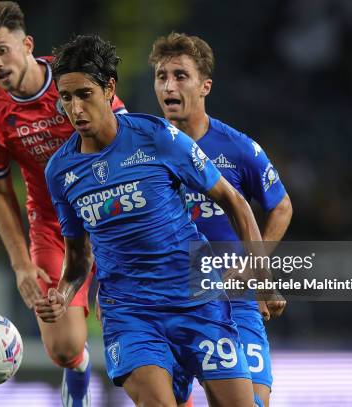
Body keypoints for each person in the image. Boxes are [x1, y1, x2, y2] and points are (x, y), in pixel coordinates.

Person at [36, 33, 267, 407]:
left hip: (197, 301)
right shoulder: (60, 172)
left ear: (109, 89)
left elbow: (234, 200)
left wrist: (258, 270)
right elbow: (78, 258)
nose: (75, 109)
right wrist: (62, 295)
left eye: (84, 95)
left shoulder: (157, 137)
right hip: (130, 314)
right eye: (66, 98)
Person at [0, 2, 126, 406]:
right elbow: (0, 193)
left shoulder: (73, 78)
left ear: (27, 44)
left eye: (2, 50)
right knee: (63, 347)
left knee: (130, 337)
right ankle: (78, 374)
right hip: (52, 225)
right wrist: (21, 265)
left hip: (109, 214)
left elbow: (122, 145)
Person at [149, 33, 293, 407]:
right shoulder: (142, 150)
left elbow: (281, 207)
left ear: (205, 86)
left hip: (233, 298)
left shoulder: (237, 148)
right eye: (162, 76)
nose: (169, 85)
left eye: (180, 76)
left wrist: (254, 268)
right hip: (170, 299)